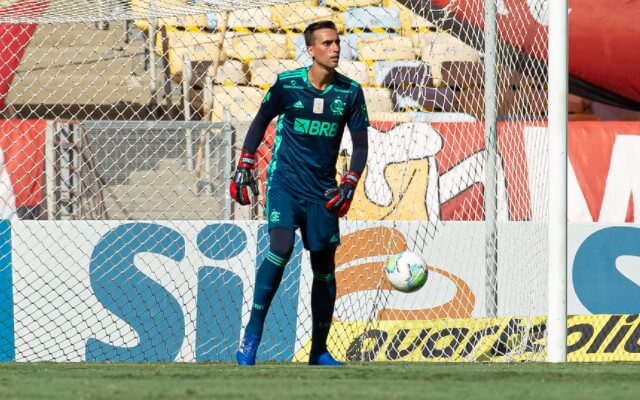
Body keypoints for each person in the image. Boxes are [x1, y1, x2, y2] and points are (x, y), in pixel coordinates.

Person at [229, 20, 369, 366]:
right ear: (311, 50)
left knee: (324, 266)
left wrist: (350, 181)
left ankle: (318, 350)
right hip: (285, 184)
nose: (335, 48)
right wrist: (245, 162)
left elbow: (362, 143)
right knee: (280, 248)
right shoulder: (287, 85)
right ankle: (251, 338)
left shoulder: (350, 92)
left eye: (337, 42)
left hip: (322, 191)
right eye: (327, 43)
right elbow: (260, 121)